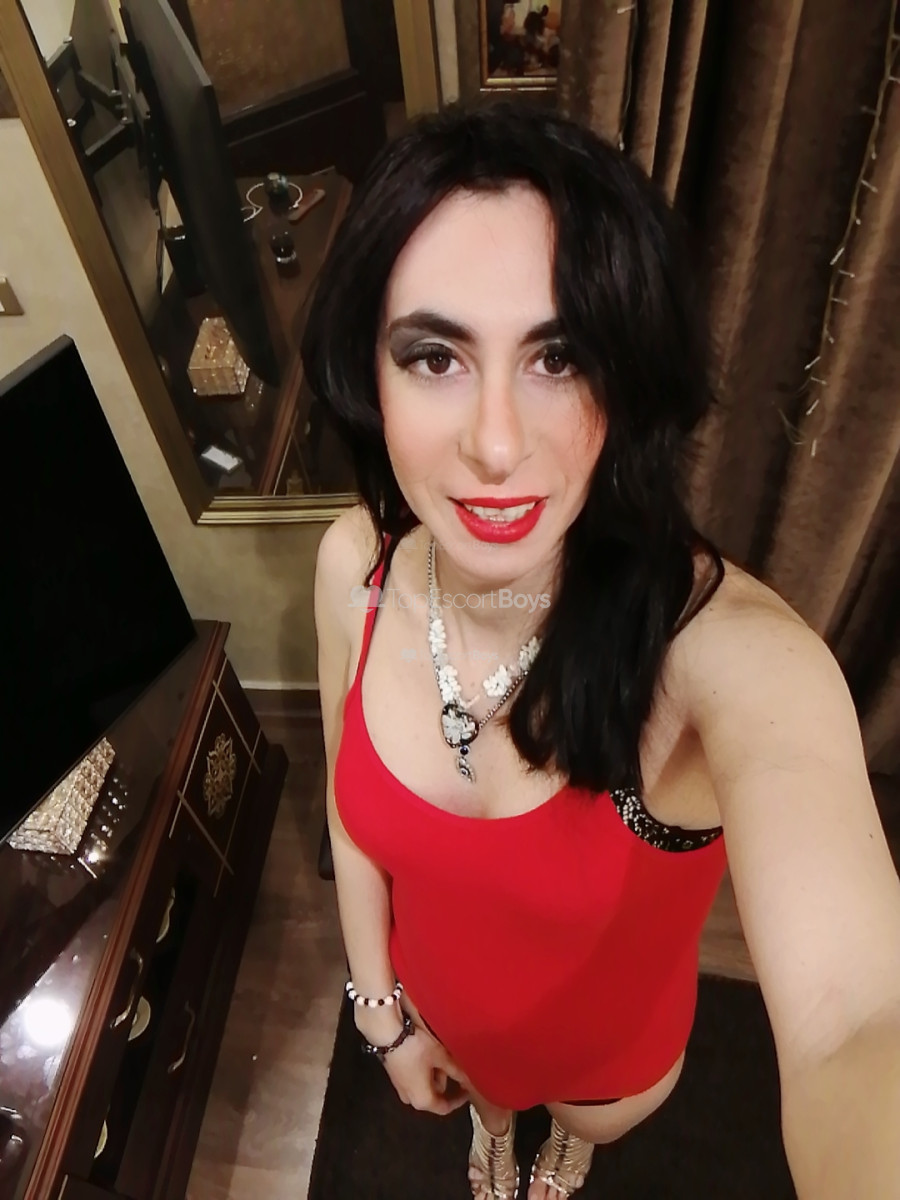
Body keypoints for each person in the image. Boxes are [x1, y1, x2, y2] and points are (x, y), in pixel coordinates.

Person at [302, 101, 900, 1200]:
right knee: (488, 1105)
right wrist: (382, 1010)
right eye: (434, 355)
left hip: (608, 1075)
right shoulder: (357, 569)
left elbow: (860, 1017)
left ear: (627, 380)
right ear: (367, 377)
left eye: (559, 356)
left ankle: (563, 1153)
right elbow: (352, 810)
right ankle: (495, 1135)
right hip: (447, 1025)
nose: (495, 443)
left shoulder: (717, 656)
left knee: (578, 1128)